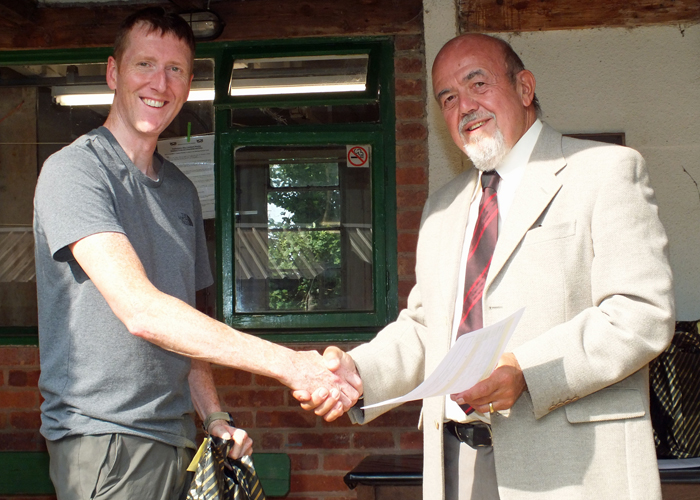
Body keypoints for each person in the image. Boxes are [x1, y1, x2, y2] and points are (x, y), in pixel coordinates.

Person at [298, 33, 675, 499]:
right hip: (458, 461)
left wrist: (526, 369)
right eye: (449, 98)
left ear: (525, 87)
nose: (465, 106)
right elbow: (424, 328)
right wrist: (359, 372)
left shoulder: (605, 170)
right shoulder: (442, 208)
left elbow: (640, 313)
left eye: (478, 84)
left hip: (574, 464)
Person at [33, 7, 359, 500]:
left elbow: (182, 324)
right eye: (145, 64)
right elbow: (143, 311)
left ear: (188, 84)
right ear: (112, 72)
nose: (159, 83)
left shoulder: (181, 191)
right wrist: (292, 365)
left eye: (176, 70)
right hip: (108, 442)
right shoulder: (75, 172)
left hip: (180, 441)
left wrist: (215, 417)